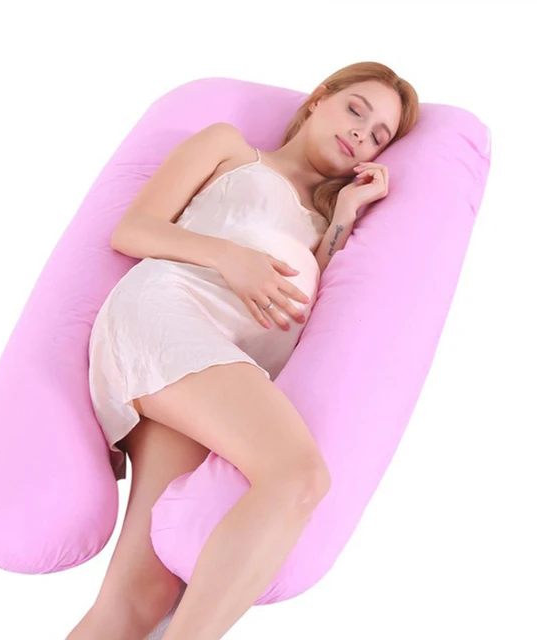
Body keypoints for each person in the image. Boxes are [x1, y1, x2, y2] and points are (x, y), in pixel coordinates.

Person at [69, 61, 419, 640]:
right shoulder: (230, 149)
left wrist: (346, 214)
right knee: (297, 475)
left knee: (142, 597)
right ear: (318, 99)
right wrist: (231, 257)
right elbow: (133, 230)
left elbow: (310, 306)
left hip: (216, 364)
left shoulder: (324, 223)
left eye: (378, 135)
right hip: (167, 315)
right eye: (356, 109)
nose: (362, 132)